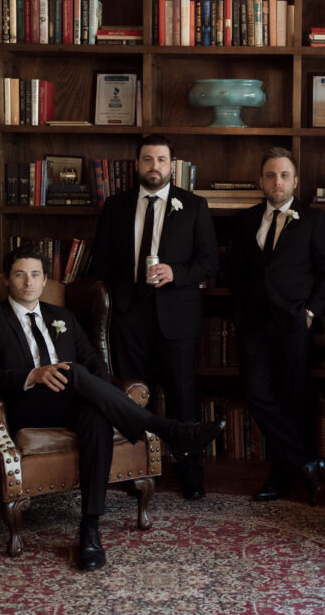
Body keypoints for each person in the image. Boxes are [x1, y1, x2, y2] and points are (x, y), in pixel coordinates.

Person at [0, 246, 225, 571]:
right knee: (74, 371)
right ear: (7, 280)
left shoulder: (62, 317)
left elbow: (97, 366)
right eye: (20, 275)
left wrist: (99, 397)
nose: (28, 282)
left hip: (73, 403)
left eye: (35, 274)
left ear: (45, 279)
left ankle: (89, 530)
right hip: (27, 406)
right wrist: (33, 375)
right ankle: (166, 430)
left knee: (95, 415)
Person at [89, 135, 219, 499]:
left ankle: (190, 472)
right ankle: (135, 469)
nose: (155, 166)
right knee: (133, 397)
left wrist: (176, 273)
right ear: (137, 165)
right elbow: (100, 262)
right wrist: (118, 299)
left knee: (182, 397)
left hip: (178, 317)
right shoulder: (115, 207)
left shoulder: (193, 205)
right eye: (148, 159)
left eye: (161, 159)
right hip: (128, 318)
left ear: (171, 166)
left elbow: (210, 261)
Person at [228, 148, 325, 505]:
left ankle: (282, 477)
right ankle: (307, 462)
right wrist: (241, 317)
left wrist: (310, 314)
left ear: (295, 181)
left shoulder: (313, 220)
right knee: (256, 393)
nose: (278, 182)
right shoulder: (245, 221)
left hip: (294, 323)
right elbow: (238, 275)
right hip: (254, 326)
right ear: (261, 181)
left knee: (295, 399)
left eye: (284, 175)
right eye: (271, 175)